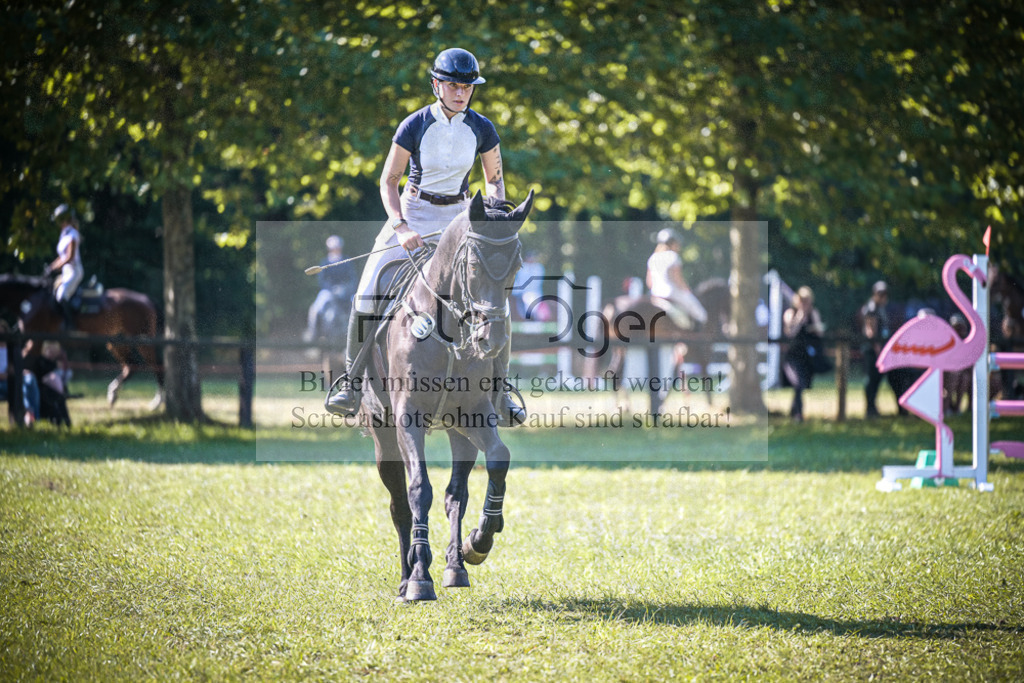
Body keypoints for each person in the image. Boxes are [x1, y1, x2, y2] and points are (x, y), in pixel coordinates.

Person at [326, 47, 520, 424]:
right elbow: (389, 181)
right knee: (366, 292)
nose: (461, 92)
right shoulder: (414, 125)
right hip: (414, 210)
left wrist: (491, 216)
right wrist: (400, 226)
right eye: (452, 85)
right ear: (436, 85)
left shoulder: (482, 128)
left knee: (495, 302)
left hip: (461, 216)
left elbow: (494, 181)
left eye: (467, 86)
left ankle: (502, 389)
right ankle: (350, 383)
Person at [646, 228, 707, 330]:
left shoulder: (653, 258)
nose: (678, 246)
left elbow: (649, 282)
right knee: (701, 314)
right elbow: (678, 280)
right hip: (671, 293)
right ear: (672, 243)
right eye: (677, 243)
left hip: (655, 294)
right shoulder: (673, 257)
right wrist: (688, 290)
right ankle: (696, 336)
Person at [782, 286, 825, 423]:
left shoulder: (813, 313)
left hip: (808, 357)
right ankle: (798, 413)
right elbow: (790, 332)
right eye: (802, 300)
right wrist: (799, 318)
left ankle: (794, 409)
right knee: (798, 382)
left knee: (802, 384)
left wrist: (814, 325)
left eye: (807, 300)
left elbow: (820, 332)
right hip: (793, 356)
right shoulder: (790, 313)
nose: (805, 303)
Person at [303, 235, 358, 343]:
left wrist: (345, 289)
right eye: (333, 248)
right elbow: (322, 280)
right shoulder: (325, 262)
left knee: (357, 306)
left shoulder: (347, 261)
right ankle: (313, 334)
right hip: (328, 291)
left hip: (346, 292)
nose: (335, 249)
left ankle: (358, 336)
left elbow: (352, 278)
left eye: (337, 247)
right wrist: (332, 289)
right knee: (316, 307)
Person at [45, 204, 84, 331]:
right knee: (53, 292)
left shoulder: (73, 234)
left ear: (63, 219)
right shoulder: (64, 234)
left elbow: (69, 257)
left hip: (74, 271)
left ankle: (70, 324)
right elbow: (61, 257)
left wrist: (54, 268)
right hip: (66, 272)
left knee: (62, 295)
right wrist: (51, 266)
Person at [860, 280, 892, 418]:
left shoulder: (880, 308)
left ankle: (873, 407)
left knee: (877, 380)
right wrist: (878, 350)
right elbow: (871, 331)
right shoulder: (872, 308)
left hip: (879, 350)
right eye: (880, 294)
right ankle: (870, 409)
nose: (883, 297)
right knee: (871, 379)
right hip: (872, 350)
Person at [0, 320, 41, 426]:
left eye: (3, 333)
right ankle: (27, 415)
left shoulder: (10, 349)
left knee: (30, 379)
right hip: (3, 382)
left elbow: (14, 367)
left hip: (11, 379)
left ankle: (34, 417)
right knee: (20, 387)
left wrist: (20, 372)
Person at [512, 250, 549, 321]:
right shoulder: (522, 268)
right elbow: (518, 280)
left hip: (533, 291)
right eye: (529, 258)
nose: (530, 259)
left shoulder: (539, 268)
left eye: (532, 258)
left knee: (529, 299)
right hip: (520, 291)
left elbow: (535, 283)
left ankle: (532, 318)